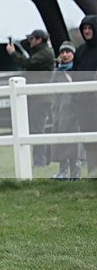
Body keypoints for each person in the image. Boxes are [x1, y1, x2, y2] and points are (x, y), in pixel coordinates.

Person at [6, 29, 54, 167]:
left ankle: (40, 161)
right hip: (35, 97)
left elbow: (27, 63)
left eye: (32, 39)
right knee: (35, 129)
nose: (29, 41)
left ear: (39, 40)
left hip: (40, 98)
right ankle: (41, 160)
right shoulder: (41, 51)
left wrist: (12, 53)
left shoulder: (44, 54)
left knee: (37, 130)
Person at [49, 41, 83, 180]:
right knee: (60, 139)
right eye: (62, 52)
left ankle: (75, 171)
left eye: (68, 52)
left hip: (73, 111)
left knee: (74, 141)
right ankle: (62, 171)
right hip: (59, 111)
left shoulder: (78, 70)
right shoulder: (57, 72)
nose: (65, 55)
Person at [72, 14, 97, 177]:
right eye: (84, 28)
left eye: (90, 28)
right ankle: (92, 172)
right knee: (88, 139)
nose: (87, 31)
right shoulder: (80, 51)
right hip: (84, 102)